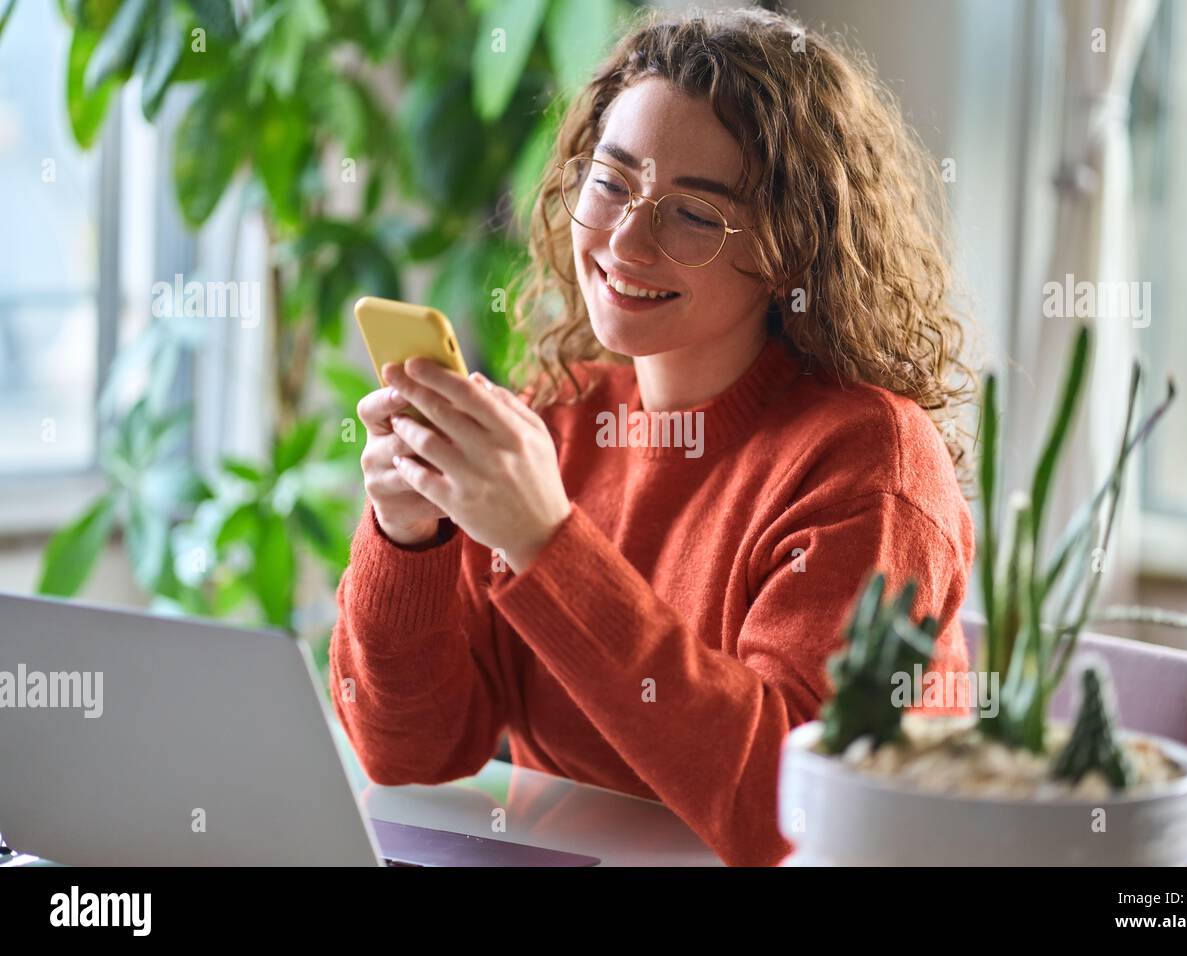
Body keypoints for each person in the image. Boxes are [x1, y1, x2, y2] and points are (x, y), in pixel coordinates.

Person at [330, 6, 977, 867]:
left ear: (791, 250)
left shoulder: (870, 467)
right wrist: (407, 538)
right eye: (610, 181)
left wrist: (545, 544)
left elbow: (784, 816)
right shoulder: (558, 417)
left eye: (696, 217)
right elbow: (408, 753)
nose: (627, 239)